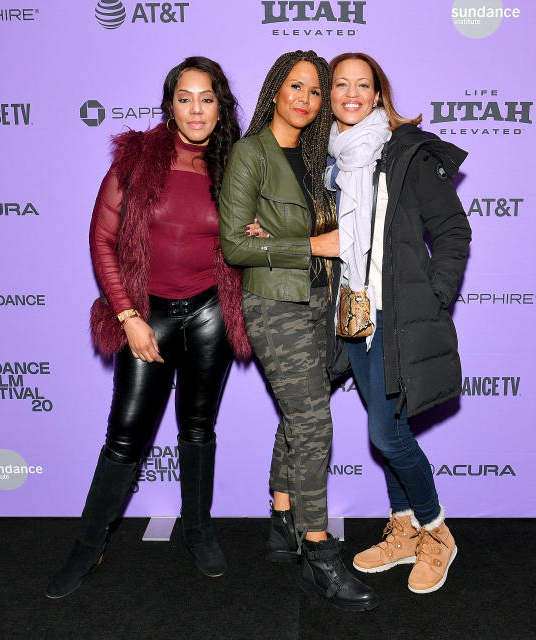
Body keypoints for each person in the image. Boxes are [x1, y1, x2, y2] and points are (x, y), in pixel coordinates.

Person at [46, 56, 250, 599]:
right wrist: (128, 316)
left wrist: (260, 229)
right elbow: (103, 239)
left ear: (221, 104)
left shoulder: (240, 163)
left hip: (211, 312)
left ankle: (199, 530)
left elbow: (262, 235)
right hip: (147, 313)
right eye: (185, 98)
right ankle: (88, 545)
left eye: (206, 97)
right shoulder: (137, 159)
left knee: (198, 426)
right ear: (169, 104)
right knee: (125, 435)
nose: (196, 109)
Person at [218, 50, 377, 611]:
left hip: (320, 301)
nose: (306, 99)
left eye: (317, 90)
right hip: (274, 305)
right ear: (275, 90)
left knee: (298, 413)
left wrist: (288, 239)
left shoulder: (319, 156)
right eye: (297, 86)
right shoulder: (250, 153)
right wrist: (308, 243)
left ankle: (282, 520)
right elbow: (235, 244)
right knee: (313, 420)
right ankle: (318, 550)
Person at [328, 52, 471, 594]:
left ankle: (436, 533)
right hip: (352, 313)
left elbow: (453, 231)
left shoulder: (407, 152)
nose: (351, 93)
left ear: (379, 93)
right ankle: (403, 528)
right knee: (390, 431)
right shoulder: (334, 161)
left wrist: (435, 295)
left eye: (362, 84)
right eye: (340, 84)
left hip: (397, 315)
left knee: (385, 432)